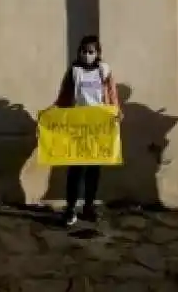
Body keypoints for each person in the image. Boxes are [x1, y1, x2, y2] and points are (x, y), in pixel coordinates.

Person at [51, 35, 120, 227]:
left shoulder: (104, 71)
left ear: (98, 53)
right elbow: (64, 97)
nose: (86, 55)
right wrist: (52, 113)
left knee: (94, 169)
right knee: (76, 169)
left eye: (91, 51)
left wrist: (116, 113)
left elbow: (112, 95)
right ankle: (71, 208)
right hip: (78, 126)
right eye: (83, 51)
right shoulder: (74, 72)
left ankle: (89, 206)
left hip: (98, 127)